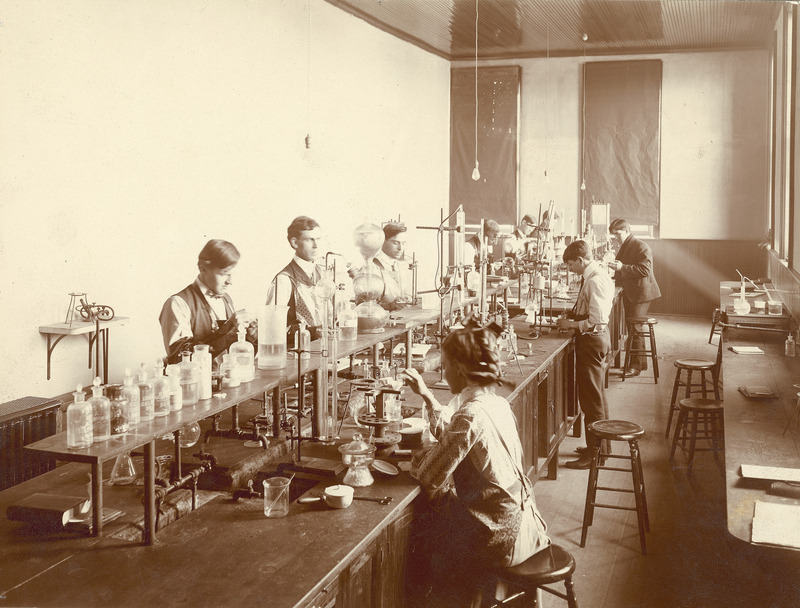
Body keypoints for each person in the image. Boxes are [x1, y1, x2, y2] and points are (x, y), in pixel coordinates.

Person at [401, 316, 550, 606]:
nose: (443, 374)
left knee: (420, 532)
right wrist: (427, 396)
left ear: (460, 369)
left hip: (497, 536)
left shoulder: (470, 415)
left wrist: (418, 458)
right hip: (524, 524)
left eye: (444, 366)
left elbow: (429, 476)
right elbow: (458, 439)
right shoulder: (496, 404)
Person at [557, 240, 615, 469]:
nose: (570, 269)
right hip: (592, 341)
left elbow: (597, 322)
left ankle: (595, 454)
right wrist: (570, 317)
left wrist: (572, 325)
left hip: (593, 341)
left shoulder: (596, 281)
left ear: (581, 260)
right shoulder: (591, 277)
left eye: (571, 265)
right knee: (596, 396)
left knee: (592, 400)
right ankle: (601, 447)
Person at [159, 239, 256, 365]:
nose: (230, 282)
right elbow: (180, 358)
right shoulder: (177, 303)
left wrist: (250, 337)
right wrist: (228, 332)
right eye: (224, 274)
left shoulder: (226, 299)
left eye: (231, 274)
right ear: (203, 268)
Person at [607, 218, 662, 377]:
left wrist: (621, 267)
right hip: (633, 291)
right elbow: (626, 266)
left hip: (641, 293)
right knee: (634, 327)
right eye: (614, 235)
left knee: (635, 328)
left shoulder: (640, 246)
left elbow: (645, 270)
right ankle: (641, 364)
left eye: (617, 234)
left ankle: (635, 367)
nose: (616, 237)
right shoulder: (626, 245)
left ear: (627, 230)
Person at [266, 216, 326, 346]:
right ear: (294, 242)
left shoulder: (321, 272)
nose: (316, 245)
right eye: (309, 240)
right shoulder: (283, 280)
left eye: (318, 239)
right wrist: (314, 331)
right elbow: (272, 329)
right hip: (297, 356)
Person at [373, 221, 411, 308]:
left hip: (400, 318)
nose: (400, 248)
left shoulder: (400, 266)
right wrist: (389, 306)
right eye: (396, 243)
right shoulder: (373, 267)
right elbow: (365, 306)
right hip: (381, 320)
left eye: (403, 243)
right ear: (383, 241)